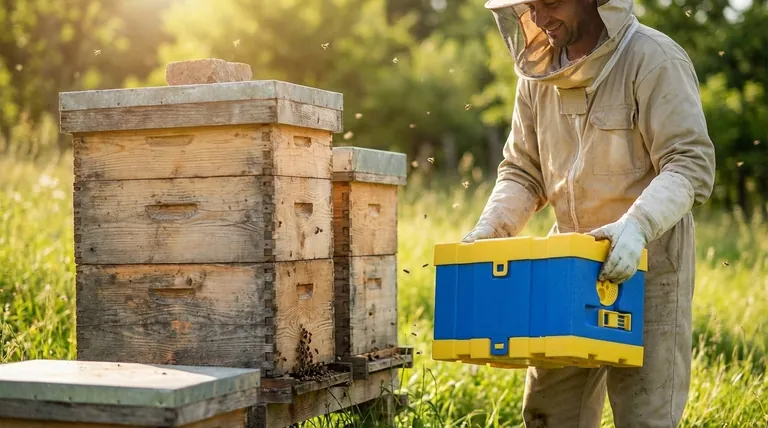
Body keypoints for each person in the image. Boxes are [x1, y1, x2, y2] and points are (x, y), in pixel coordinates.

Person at [462, 0, 716, 426]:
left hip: (650, 265)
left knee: (644, 417)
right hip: (567, 268)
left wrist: (637, 227)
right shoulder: (537, 74)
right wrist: (492, 229)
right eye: (531, 6)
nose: (539, 19)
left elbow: (689, 163)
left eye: (550, 3)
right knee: (549, 415)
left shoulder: (654, 59)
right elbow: (523, 170)